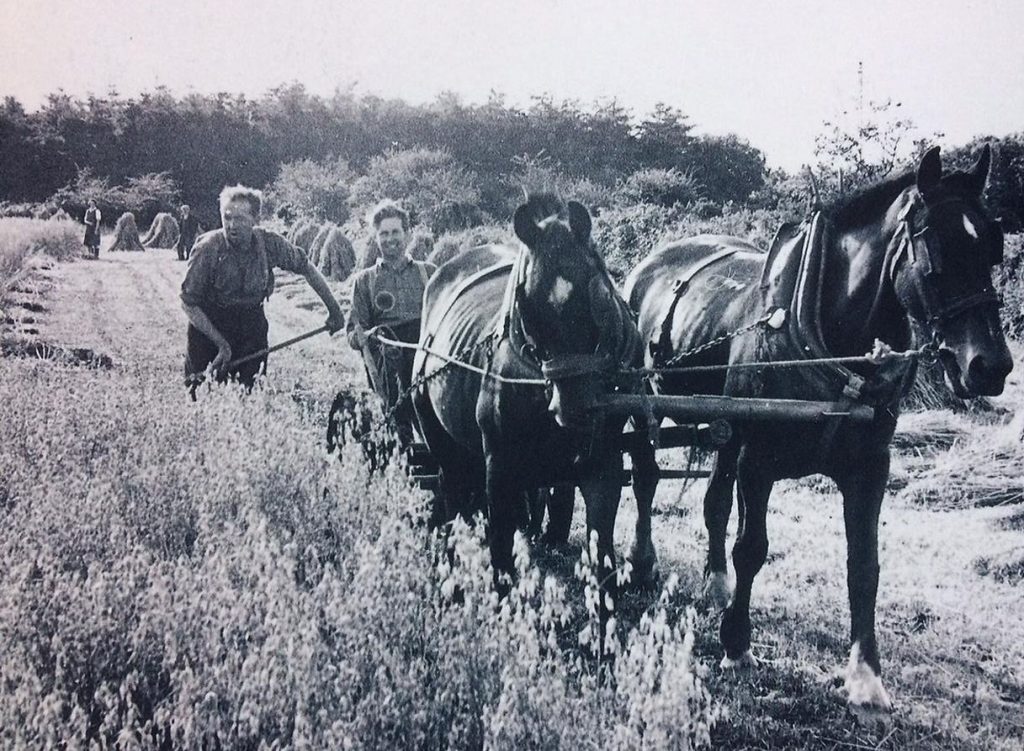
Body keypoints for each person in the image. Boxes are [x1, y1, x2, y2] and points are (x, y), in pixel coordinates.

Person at [181, 185, 345, 394]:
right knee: (200, 393)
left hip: (251, 325)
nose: (231, 225)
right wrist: (221, 344)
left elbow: (306, 268)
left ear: (255, 219)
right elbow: (188, 302)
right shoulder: (208, 248)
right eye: (227, 217)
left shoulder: (270, 244)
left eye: (239, 218)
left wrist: (335, 311)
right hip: (208, 326)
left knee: (250, 394)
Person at [346, 200, 436, 444]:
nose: (390, 238)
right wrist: (362, 336)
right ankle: (401, 440)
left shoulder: (428, 273)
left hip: (425, 350)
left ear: (407, 234)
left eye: (395, 232)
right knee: (395, 384)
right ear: (376, 238)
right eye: (383, 233)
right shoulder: (364, 281)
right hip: (387, 353)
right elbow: (354, 333)